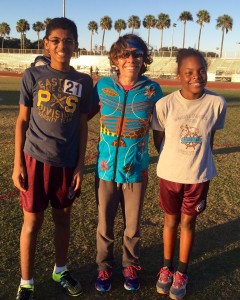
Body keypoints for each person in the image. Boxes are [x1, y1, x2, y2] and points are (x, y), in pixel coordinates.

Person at [12, 17, 93, 299]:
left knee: (63, 219)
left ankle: (60, 269)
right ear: (46, 44)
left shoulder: (83, 81)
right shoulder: (32, 76)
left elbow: (83, 125)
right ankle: (27, 282)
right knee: (32, 223)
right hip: (34, 160)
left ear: (75, 45)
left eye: (68, 40)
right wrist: (17, 163)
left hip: (67, 163)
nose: (62, 45)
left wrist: (81, 165)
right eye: (56, 40)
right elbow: (22, 121)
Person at [90, 33, 163, 293]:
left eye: (137, 54)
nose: (131, 58)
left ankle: (130, 265)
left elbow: (159, 126)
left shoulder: (152, 89)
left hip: (136, 169)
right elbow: (83, 114)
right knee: (104, 223)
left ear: (144, 59)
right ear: (115, 58)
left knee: (132, 225)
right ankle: (104, 267)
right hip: (106, 168)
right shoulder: (101, 86)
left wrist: (162, 153)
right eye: (125, 54)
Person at [152, 48, 227, 300]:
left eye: (201, 71)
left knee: (188, 222)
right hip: (170, 174)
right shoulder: (164, 104)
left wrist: (199, 160)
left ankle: (182, 271)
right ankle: (166, 268)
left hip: (198, 175)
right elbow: (158, 137)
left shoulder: (217, 103)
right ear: (179, 75)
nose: (196, 76)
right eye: (189, 72)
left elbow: (210, 138)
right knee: (170, 221)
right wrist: (172, 159)